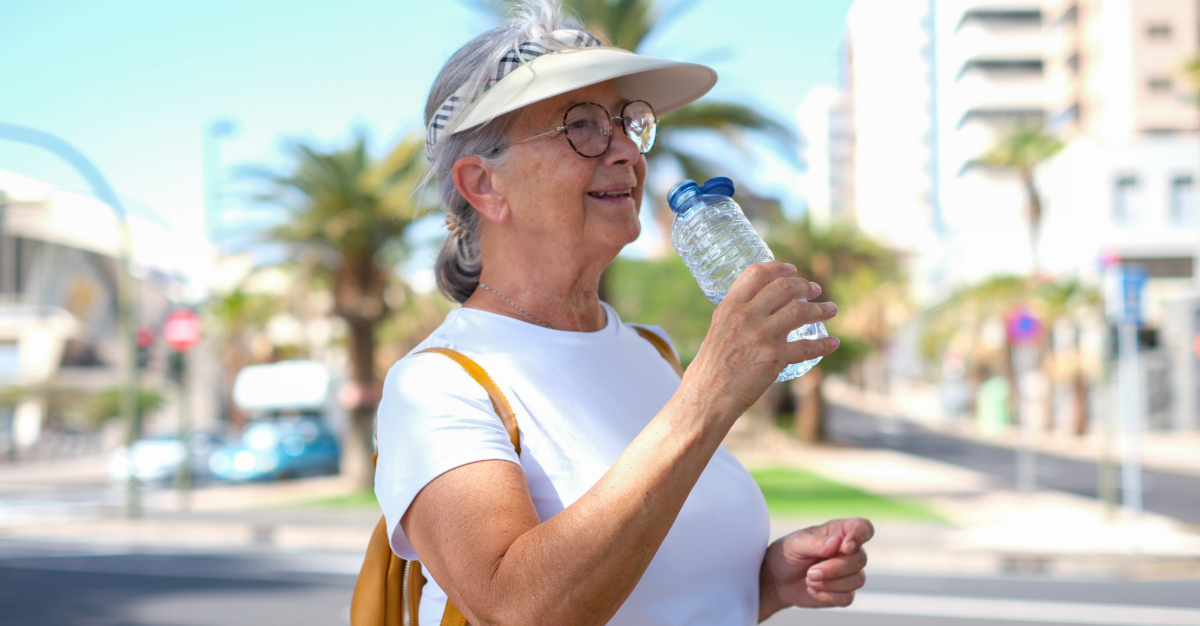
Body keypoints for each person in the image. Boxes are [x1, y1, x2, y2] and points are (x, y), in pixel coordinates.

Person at [374, 2, 872, 624]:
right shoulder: (439, 384)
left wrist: (762, 585)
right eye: (580, 126)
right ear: (484, 186)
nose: (627, 155)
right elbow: (517, 609)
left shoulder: (652, 350)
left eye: (627, 122)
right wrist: (708, 396)